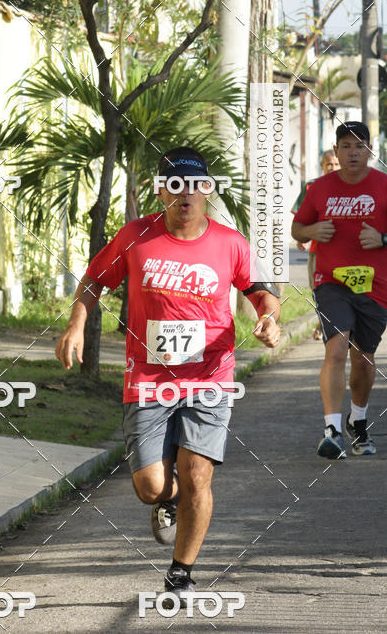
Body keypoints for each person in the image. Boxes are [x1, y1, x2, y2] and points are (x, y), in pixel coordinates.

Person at [55, 146, 281, 603]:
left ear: (207, 191)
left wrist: (269, 318)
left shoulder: (230, 243)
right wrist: (76, 323)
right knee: (151, 487)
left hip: (210, 377)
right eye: (175, 185)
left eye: (196, 185)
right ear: (161, 191)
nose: (186, 194)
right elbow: (96, 279)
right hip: (148, 381)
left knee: (198, 473)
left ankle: (181, 573)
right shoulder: (136, 237)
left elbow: (263, 291)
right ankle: (168, 500)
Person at [292, 121, 387, 459]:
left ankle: (357, 422)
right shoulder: (319, 188)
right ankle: (331, 430)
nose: (352, 153)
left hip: (375, 286)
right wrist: (312, 229)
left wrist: (382, 239)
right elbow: (298, 230)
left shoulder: (384, 185)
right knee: (335, 349)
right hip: (331, 282)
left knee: (363, 360)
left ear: (370, 150)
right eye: (345, 146)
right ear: (336, 151)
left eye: (359, 146)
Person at [292, 150, 340, 339]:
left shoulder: (350, 186)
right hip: (317, 252)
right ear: (322, 166)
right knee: (318, 291)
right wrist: (300, 238)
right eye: (329, 164)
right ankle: (323, 322)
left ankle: (330, 324)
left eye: (336, 164)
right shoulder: (312, 187)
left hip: (344, 253)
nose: (333, 168)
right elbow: (301, 220)